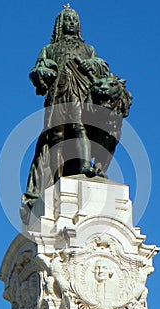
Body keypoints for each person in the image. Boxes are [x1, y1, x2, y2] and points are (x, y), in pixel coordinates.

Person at [28, 5, 109, 184]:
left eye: (74, 20)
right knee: (57, 136)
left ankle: (85, 166)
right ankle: (57, 177)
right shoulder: (49, 49)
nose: (70, 23)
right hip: (58, 94)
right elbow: (36, 71)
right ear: (60, 24)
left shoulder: (88, 49)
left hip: (80, 93)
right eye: (67, 20)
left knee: (80, 127)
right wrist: (43, 70)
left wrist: (93, 65)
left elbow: (100, 66)